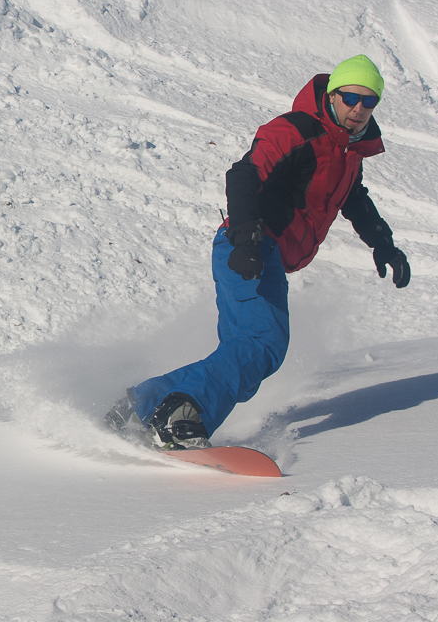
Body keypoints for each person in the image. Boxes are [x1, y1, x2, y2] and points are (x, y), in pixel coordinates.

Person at [105, 55, 411, 450]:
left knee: (246, 352)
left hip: (263, 251)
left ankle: (138, 406)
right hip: (249, 245)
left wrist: (384, 243)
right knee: (263, 343)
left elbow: (354, 198)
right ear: (333, 95)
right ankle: (179, 417)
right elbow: (244, 174)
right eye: (350, 97)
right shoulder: (297, 130)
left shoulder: (348, 152)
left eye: (369, 101)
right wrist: (248, 238)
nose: (358, 108)